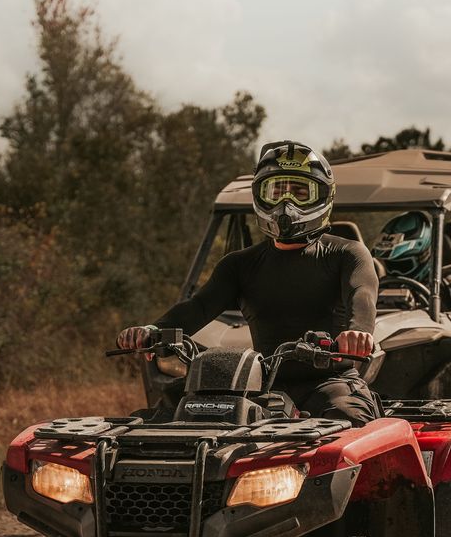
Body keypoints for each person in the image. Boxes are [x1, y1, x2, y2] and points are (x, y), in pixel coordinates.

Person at [117, 141, 380, 425]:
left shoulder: (348, 253)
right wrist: (152, 331)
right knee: (164, 418)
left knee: (348, 421)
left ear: (323, 197)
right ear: (260, 196)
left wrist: (359, 332)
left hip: (331, 382)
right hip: (259, 386)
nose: (286, 203)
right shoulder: (239, 264)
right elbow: (199, 306)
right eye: (276, 192)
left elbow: (362, 295)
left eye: (300, 192)